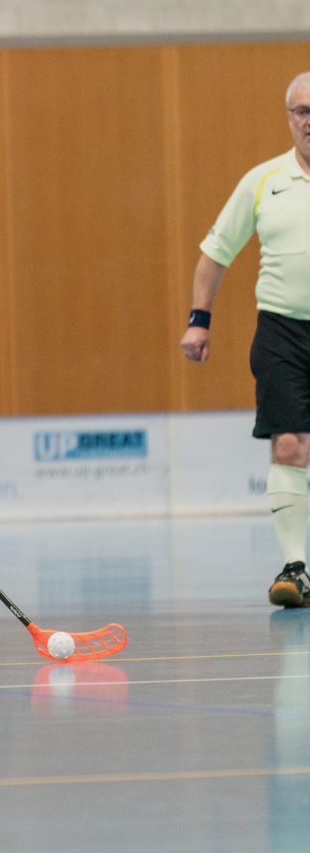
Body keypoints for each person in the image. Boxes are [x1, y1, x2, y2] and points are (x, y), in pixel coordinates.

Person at [180, 71, 310, 608]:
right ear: (289, 118)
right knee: (290, 444)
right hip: (282, 330)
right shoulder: (263, 181)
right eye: (302, 111)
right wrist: (199, 319)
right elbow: (215, 253)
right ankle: (296, 569)